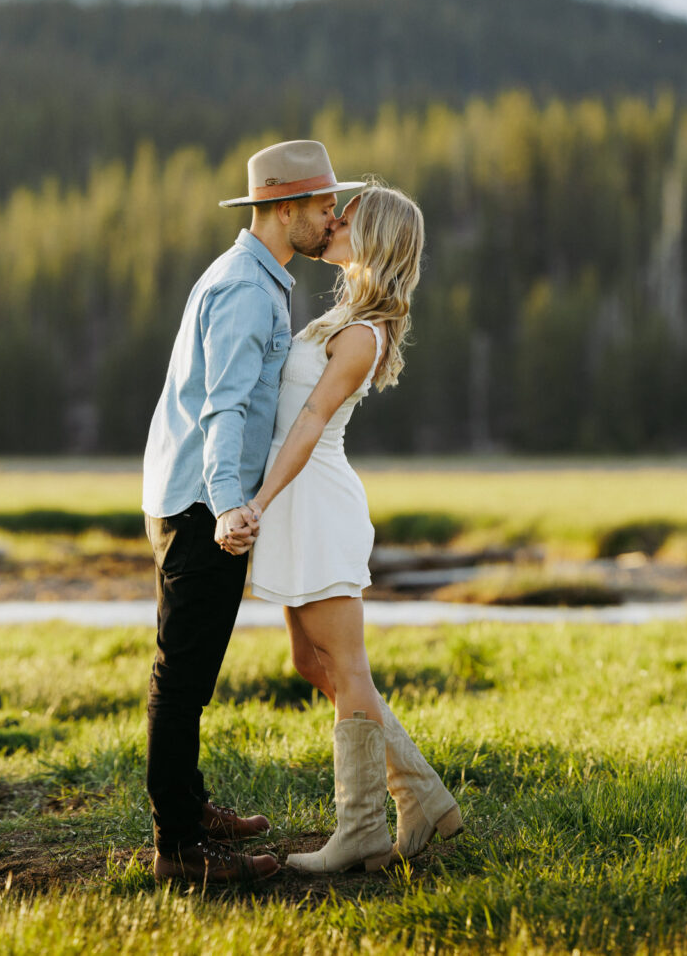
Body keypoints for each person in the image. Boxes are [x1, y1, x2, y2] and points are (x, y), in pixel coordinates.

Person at [138, 138, 359, 885]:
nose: (334, 218)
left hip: (200, 498)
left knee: (192, 670)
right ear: (285, 207)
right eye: (325, 205)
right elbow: (223, 408)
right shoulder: (245, 288)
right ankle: (178, 849)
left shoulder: (259, 277)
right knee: (182, 675)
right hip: (204, 504)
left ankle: (191, 806)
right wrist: (232, 503)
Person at [228, 180, 462, 873]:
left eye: (346, 216)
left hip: (315, 501)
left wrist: (260, 500)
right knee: (311, 662)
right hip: (297, 501)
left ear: (375, 235)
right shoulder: (344, 316)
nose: (331, 220)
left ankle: (360, 826)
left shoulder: (363, 332)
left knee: (347, 666)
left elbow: (308, 421)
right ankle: (422, 795)